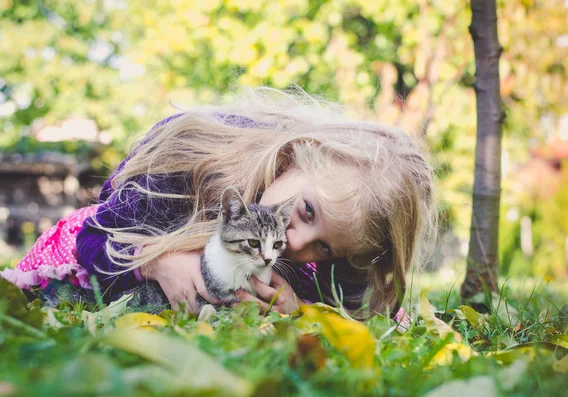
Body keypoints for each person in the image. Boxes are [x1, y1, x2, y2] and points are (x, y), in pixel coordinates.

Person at [1, 88, 435, 319]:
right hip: (103, 240)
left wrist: (299, 310)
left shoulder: (314, 249)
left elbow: (369, 304)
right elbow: (97, 236)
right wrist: (157, 261)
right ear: (296, 154)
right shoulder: (196, 157)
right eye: (306, 212)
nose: (295, 243)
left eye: (325, 247)